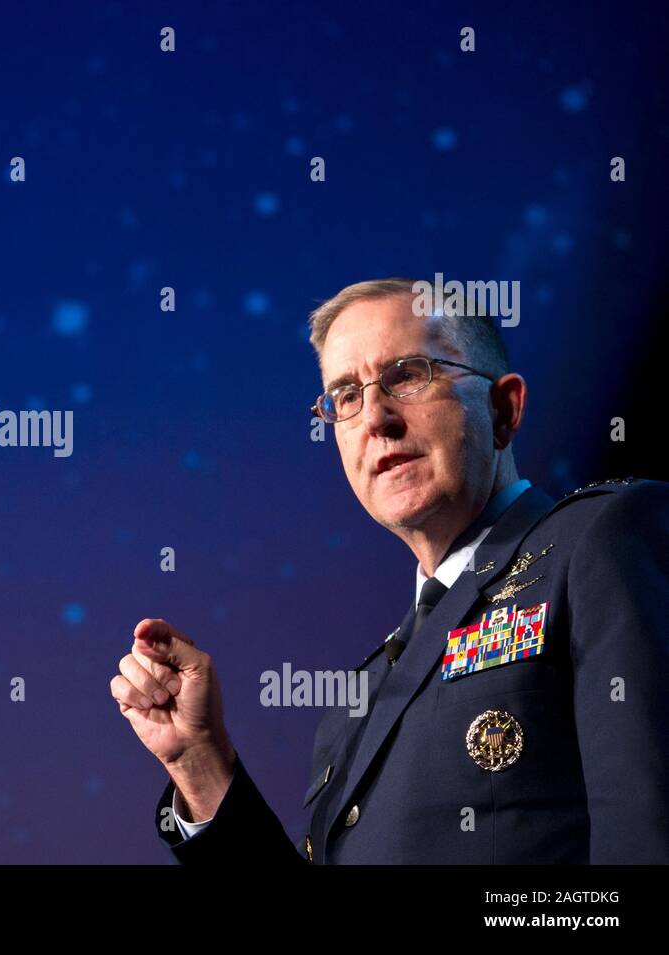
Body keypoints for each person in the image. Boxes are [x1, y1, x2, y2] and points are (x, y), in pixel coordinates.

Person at [111, 278, 669, 863]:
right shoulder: (362, 699)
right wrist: (198, 759)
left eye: (407, 375)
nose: (375, 416)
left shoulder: (600, 542)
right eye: (345, 395)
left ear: (503, 410)